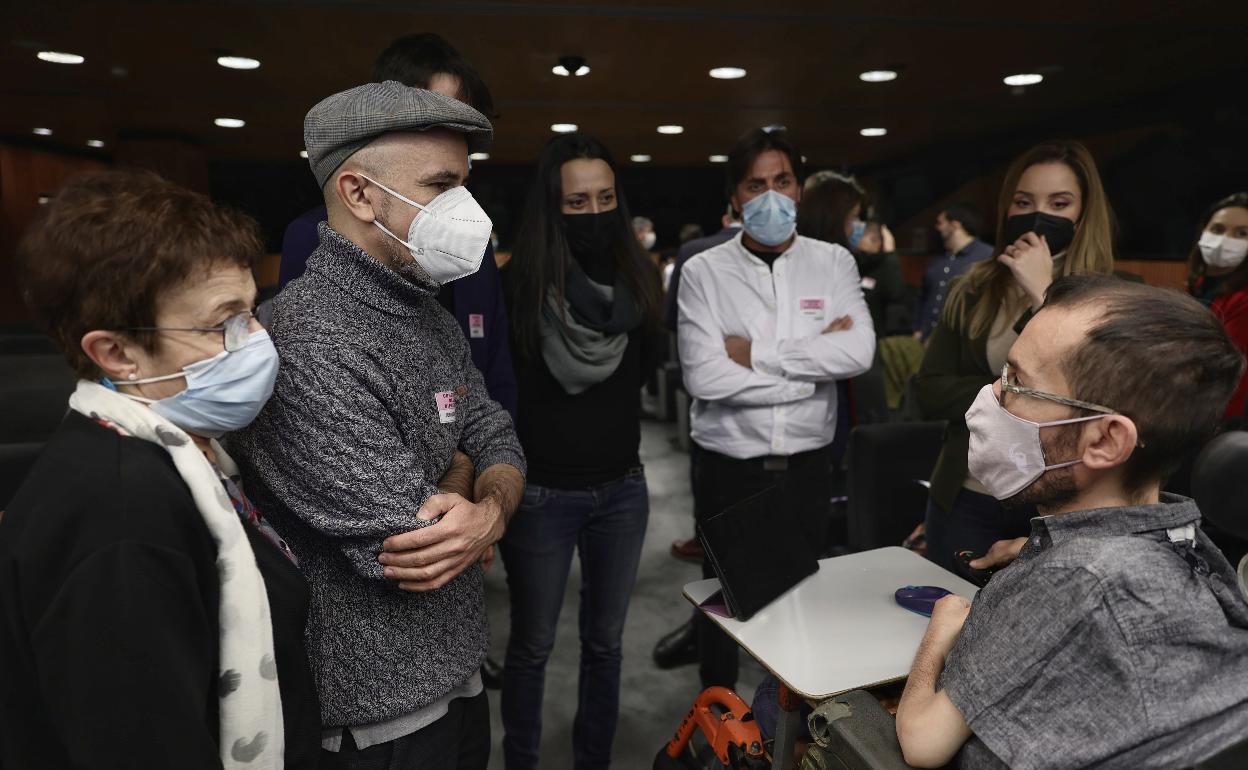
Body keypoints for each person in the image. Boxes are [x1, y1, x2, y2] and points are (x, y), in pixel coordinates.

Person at [231, 82, 526, 768]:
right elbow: (410, 544)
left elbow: (498, 432)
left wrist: (487, 513)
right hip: (379, 719)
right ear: (360, 194)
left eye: (464, 185)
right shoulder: (306, 341)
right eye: (442, 185)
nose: (467, 210)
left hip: (459, 672)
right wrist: (468, 475)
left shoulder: (427, 312)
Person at [1, 169, 319, 767]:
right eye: (221, 325)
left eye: (251, 313)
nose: (256, 341)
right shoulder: (120, 516)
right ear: (116, 352)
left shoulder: (187, 456)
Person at [896, 274, 1248, 769]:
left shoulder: (1074, 578)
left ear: (1104, 441)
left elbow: (922, 742)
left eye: (1017, 383)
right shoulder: (1184, 539)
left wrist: (944, 625)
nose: (990, 396)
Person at [677, 127, 875, 689]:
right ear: (735, 198)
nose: (770, 196)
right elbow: (705, 377)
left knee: (803, 603)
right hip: (729, 470)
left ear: (800, 188)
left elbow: (857, 353)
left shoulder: (833, 262)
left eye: (782, 181)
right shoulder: (703, 271)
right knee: (721, 608)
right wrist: (809, 372)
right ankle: (717, 710)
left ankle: (788, 718)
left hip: (807, 470)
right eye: (755, 185)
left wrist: (755, 355)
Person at [499, 132, 661, 770]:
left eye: (605, 198)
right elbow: (497, 392)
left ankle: (593, 759)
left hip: (623, 491)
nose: (594, 212)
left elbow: (645, 373)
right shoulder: (519, 286)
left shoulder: (638, 283)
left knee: (605, 646)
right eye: (577, 202)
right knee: (532, 646)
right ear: (553, 206)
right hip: (542, 495)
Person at [276, 32, 517, 419]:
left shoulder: (470, 235)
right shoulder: (314, 239)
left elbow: (496, 375)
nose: (452, 131)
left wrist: (493, 446)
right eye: (433, 113)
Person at [914, 140, 1120, 572]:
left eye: (1059, 203)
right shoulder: (972, 287)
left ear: (1084, 212)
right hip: (968, 493)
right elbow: (931, 391)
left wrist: (1044, 296)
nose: (1038, 215)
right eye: (1024, 202)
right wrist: (1026, 397)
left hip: (1064, 502)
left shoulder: (1117, 296)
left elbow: (1096, 397)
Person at [797, 171, 906, 336]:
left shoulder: (845, 263)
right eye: (854, 217)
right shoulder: (796, 265)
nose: (857, 227)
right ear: (832, 220)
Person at [1187, 193, 1248, 417]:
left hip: (1221, 413)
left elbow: (1229, 369)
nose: (1225, 240)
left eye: (1242, 234)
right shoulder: (1201, 285)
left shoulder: (1244, 299)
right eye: (1218, 229)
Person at [915, 204, 994, 342]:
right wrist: (918, 328)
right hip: (927, 338)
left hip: (962, 340)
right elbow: (923, 296)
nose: (937, 228)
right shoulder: (938, 258)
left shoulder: (987, 256)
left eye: (940, 223)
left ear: (955, 225)